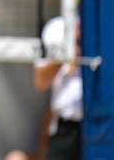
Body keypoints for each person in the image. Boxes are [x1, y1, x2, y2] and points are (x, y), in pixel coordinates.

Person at [33, 16, 82, 160]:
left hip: (106, 125)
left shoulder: (111, 25)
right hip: (66, 128)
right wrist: (68, 53)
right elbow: (40, 81)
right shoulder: (56, 28)